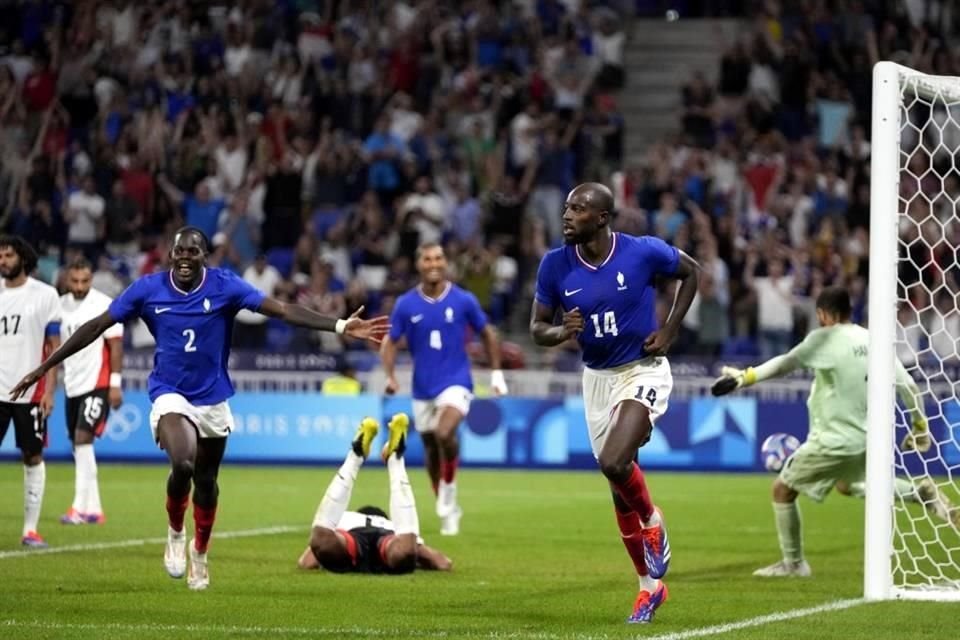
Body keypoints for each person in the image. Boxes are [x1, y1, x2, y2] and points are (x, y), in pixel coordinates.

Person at [10, 226, 389, 590]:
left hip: (212, 398)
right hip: (169, 392)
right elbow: (95, 326)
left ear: (204, 256)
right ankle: (176, 533)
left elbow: (281, 309)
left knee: (206, 483)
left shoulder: (225, 285)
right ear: (171, 255)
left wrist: (339, 326)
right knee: (184, 462)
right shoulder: (148, 289)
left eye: (193, 251)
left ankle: (200, 552)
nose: (185, 257)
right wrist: (45, 368)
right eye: (180, 251)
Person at [529, 183, 700, 624]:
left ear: (602, 218)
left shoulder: (641, 252)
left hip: (642, 369)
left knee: (613, 461)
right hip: (597, 379)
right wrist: (561, 332)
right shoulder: (554, 265)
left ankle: (652, 518)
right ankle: (649, 588)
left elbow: (692, 272)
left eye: (578, 209)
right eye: (565, 207)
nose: (566, 215)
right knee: (616, 488)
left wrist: (670, 330)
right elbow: (536, 328)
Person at [711, 286, 958, 577]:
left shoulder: (824, 338)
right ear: (849, 311)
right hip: (867, 438)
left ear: (823, 315)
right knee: (848, 484)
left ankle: (793, 564)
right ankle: (921, 492)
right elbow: (908, 386)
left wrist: (744, 377)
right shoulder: (872, 340)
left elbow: (786, 363)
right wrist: (920, 426)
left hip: (833, 441)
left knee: (782, 490)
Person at [380, 242, 509, 537]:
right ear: (419, 264)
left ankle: (449, 489)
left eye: (439, 257)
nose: (434, 263)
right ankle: (447, 506)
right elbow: (390, 341)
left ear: (445, 262)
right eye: (427, 258)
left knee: (444, 433)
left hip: (457, 381)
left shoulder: (463, 300)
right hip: (422, 387)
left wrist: (497, 373)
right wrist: (389, 375)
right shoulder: (405, 304)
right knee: (430, 448)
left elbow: (487, 333)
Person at [297, 412, 452, 574]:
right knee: (405, 551)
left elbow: (306, 562)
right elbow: (443, 563)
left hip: (351, 539)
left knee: (322, 540)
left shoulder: (346, 518)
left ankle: (355, 457)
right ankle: (395, 460)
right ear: (384, 518)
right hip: (387, 541)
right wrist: (417, 560)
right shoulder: (391, 525)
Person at [0, 235, 61, 548]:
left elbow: (54, 349)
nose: (3, 261)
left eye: (8, 255)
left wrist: (50, 390)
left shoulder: (45, 295)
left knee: (33, 456)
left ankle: (30, 529)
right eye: (0, 256)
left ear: (23, 257)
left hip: (31, 393)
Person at [58, 257, 124, 526]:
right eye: (75, 281)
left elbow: (116, 346)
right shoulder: (60, 306)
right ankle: (94, 508)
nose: (80, 286)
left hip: (97, 383)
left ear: (91, 279)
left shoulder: (103, 305)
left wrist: (115, 384)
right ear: (67, 279)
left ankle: (78, 508)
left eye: (85, 281)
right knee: (79, 446)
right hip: (72, 384)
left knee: (83, 439)